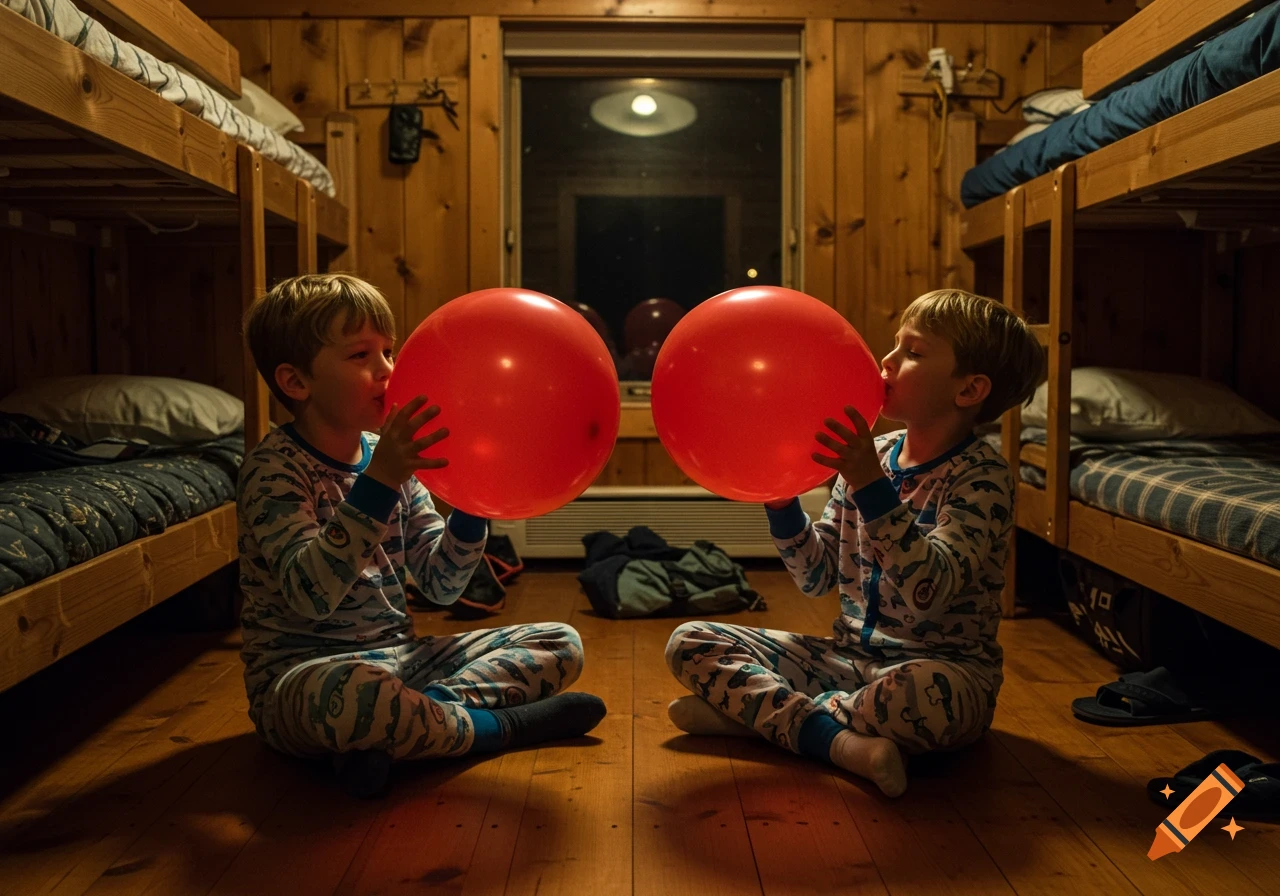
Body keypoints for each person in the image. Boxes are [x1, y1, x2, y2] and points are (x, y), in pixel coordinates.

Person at [664, 288, 1046, 797]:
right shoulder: (873, 452)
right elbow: (817, 576)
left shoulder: (982, 479)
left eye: (913, 353)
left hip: (940, 672)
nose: (885, 362)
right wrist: (782, 503)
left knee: (928, 696)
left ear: (970, 390)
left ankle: (768, 720)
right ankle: (832, 736)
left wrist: (870, 484)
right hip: (843, 664)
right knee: (690, 640)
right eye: (894, 345)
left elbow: (927, 591)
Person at [237, 273, 605, 797]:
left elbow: (441, 584)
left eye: (388, 352)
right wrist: (379, 481)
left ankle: (407, 728)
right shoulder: (274, 470)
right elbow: (310, 594)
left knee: (558, 641)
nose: (387, 371)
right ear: (297, 382)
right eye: (360, 356)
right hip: (304, 678)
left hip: (405, 663)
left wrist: (473, 505)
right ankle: (497, 729)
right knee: (352, 694)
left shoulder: (392, 457)